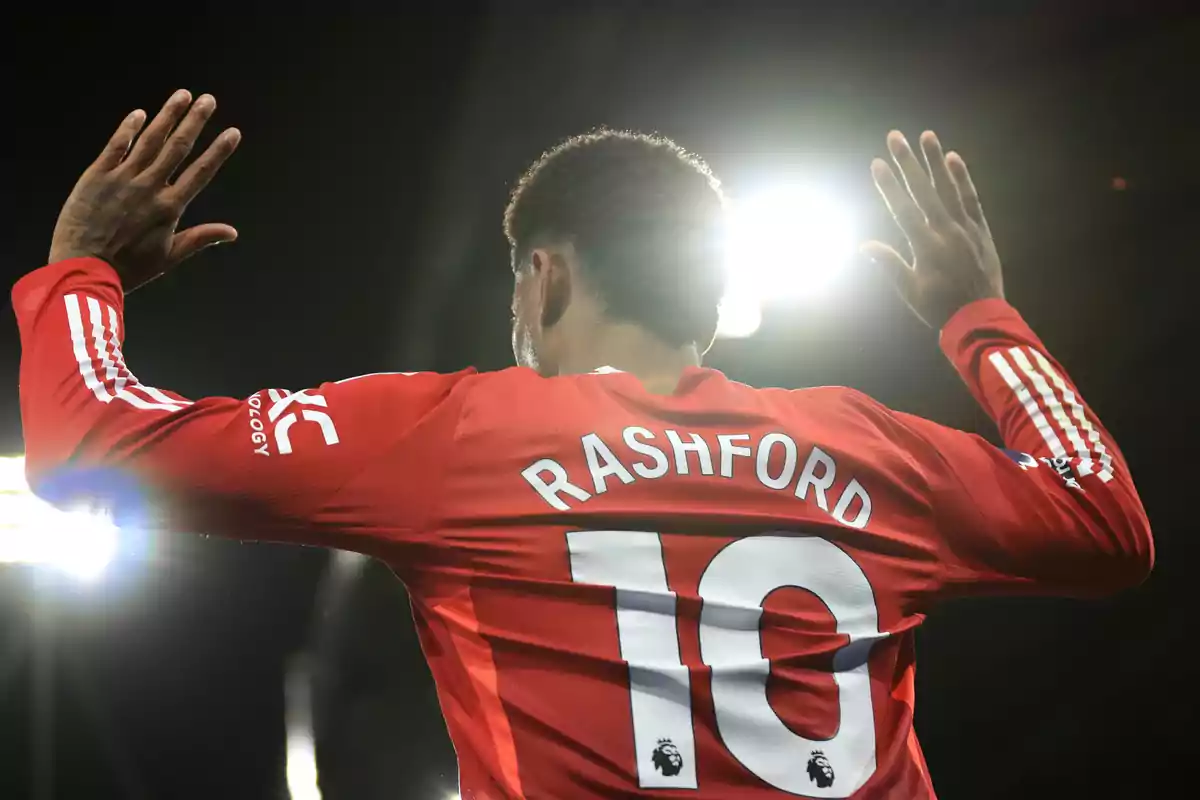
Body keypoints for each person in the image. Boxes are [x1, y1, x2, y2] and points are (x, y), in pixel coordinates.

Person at [14, 90, 1153, 799]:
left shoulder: (455, 432)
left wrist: (82, 267)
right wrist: (979, 317)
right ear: (708, 299)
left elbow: (87, 442)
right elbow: (1107, 520)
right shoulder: (869, 447)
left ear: (543, 276)